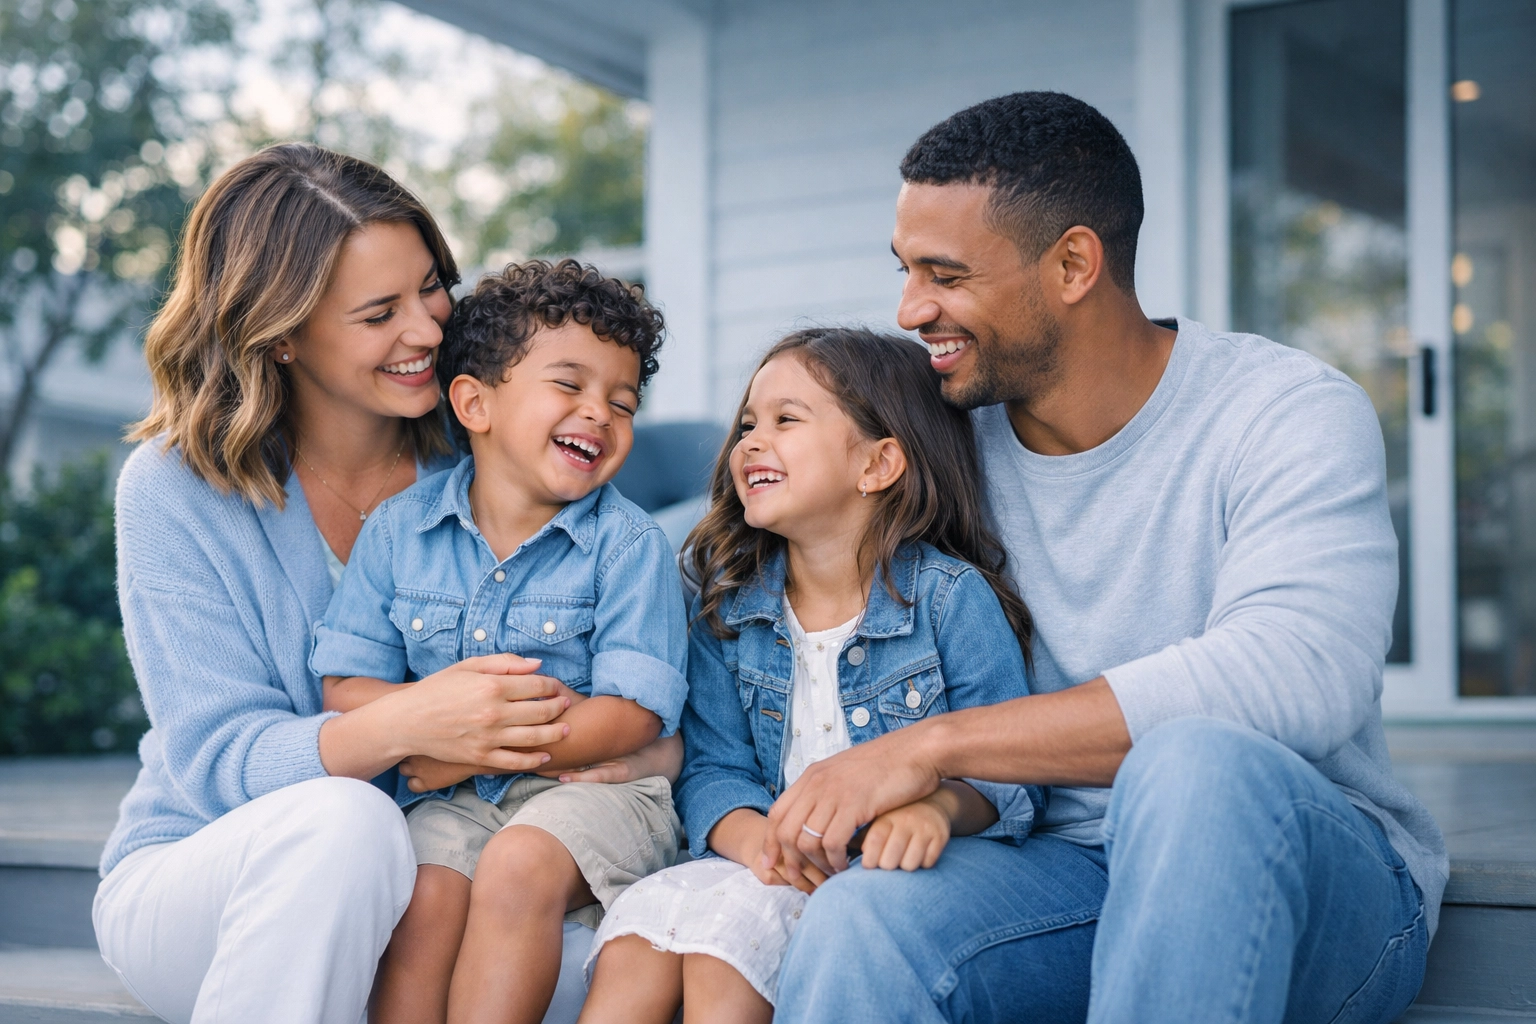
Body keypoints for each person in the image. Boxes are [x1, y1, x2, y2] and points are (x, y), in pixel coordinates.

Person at [764, 93, 1448, 1024]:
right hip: (1061, 877)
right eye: (906, 270)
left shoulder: (1284, 411)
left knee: (1193, 767)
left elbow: (1305, 671)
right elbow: (765, 528)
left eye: (945, 274)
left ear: (1075, 263)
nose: (910, 308)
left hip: (1309, 879)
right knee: (862, 921)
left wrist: (928, 746)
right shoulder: (947, 444)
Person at [92, 144, 674, 1024]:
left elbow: (647, 635)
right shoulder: (177, 487)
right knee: (345, 825)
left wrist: (651, 744)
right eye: (379, 313)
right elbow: (215, 761)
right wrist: (411, 725)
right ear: (281, 333)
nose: (431, 331)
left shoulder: (498, 443)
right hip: (212, 867)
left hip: (446, 867)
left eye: (431, 286)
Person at [576, 327, 1046, 1024]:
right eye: (746, 425)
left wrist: (936, 808)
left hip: (878, 881)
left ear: (879, 463)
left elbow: (1008, 767)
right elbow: (714, 769)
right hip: (762, 857)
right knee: (638, 945)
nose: (750, 442)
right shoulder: (729, 607)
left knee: (720, 954)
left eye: (786, 421)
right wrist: (756, 845)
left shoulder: (951, 600)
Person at [310, 259, 688, 1024]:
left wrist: (475, 744)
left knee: (518, 863)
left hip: (600, 790)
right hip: (455, 797)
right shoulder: (398, 534)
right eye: (570, 385)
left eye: (623, 401)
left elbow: (634, 713)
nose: (601, 413)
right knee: (424, 893)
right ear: (475, 404)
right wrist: (434, 731)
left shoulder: (627, 546)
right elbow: (347, 686)